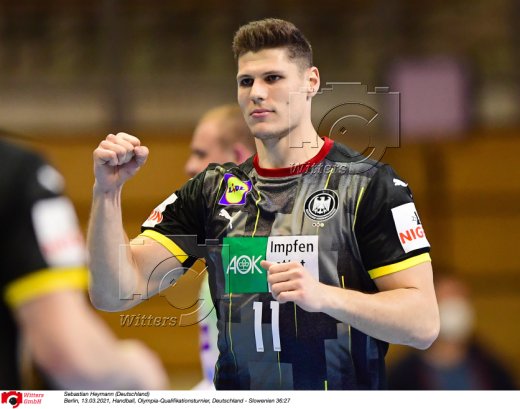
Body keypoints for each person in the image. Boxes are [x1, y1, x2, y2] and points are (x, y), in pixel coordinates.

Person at [87, 18, 439, 390]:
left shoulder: (369, 186)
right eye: (246, 81)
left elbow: (423, 323)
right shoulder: (211, 191)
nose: (256, 92)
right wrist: (106, 192)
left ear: (311, 82)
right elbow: (114, 293)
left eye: (273, 78)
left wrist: (325, 296)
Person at [0, 137, 168, 390]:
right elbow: (70, 355)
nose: (190, 166)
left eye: (200, 154)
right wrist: (137, 372)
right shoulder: (16, 171)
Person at [184, 104, 255, 390]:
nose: (190, 166)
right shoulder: (220, 240)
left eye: (201, 154)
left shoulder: (252, 248)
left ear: (237, 157)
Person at [387, 275, 517, 390]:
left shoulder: (494, 370)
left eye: (461, 299)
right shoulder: (401, 377)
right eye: (448, 300)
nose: (455, 308)